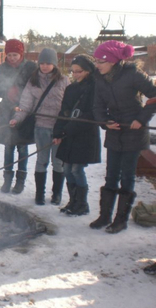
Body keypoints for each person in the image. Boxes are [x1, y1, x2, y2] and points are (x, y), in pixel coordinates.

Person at [90, 40, 156, 233]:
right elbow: (97, 106)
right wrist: (105, 122)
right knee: (111, 176)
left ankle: (121, 220)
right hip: (114, 131)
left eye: (100, 61)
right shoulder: (99, 78)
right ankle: (104, 216)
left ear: (111, 60)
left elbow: (153, 97)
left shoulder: (133, 74)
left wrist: (141, 120)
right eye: (96, 61)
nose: (97, 65)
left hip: (134, 132)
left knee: (127, 177)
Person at [10, 48, 70, 205]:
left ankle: (56, 194)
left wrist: (66, 125)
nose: (44, 66)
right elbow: (25, 104)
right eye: (42, 63)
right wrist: (17, 118)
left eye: (48, 63)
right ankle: (39, 194)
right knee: (41, 160)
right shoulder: (33, 81)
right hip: (41, 127)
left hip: (59, 129)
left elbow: (69, 105)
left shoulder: (63, 80)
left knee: (58, 162)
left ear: (54, 64)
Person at [53, 54, 101, 216]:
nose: (75, 75)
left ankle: (82, 204)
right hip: (68, 134)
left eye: (79, 71)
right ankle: (73, 201)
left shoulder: (95, 87)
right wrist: (58, 131)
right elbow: (63, 111)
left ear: (88, 71)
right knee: (67, 169)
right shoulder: (71, 88)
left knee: (76, 169)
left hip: (84, 135)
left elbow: (92, 114)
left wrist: (71, 127)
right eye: (73, 72)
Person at [0, 39, 36, 194]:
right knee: (8, 146)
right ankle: (7, 180)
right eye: (10, 54)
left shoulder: (30, 67)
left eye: (15, 55)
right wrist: (7, 93)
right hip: (6, 110)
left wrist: (22, 101)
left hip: (24, 110)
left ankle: (20, 181)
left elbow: (34, 88)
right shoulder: (2, 68)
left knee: (22, 146)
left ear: (21, 54)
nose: (12, 58)